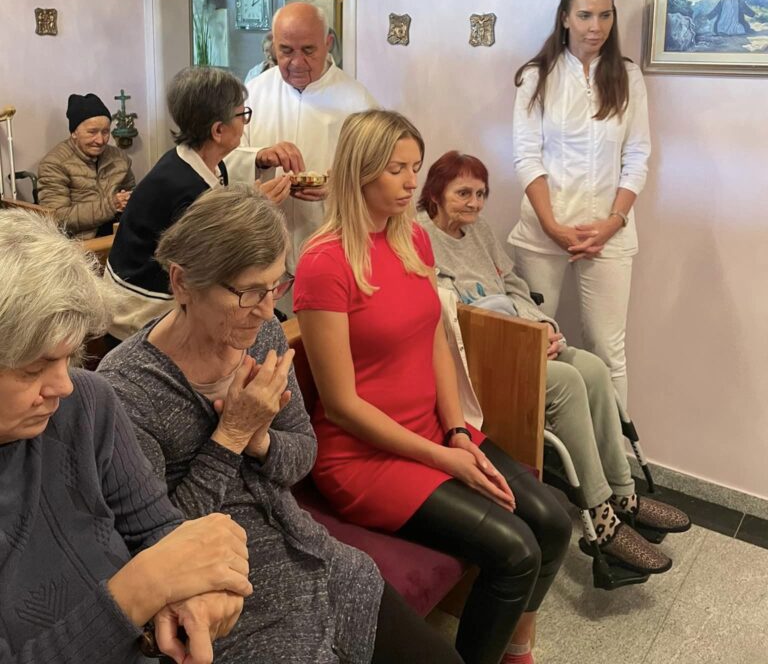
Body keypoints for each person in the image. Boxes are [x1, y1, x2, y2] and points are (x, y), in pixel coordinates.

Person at [98, 184, 463, 664]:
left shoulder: (262, 333)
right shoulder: (127, 389)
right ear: (182, 282)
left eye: (275, 286)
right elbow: (156, 547)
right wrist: (228, 438)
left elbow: (302, 456)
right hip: (229, 598)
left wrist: (261, 442)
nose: (269, 309)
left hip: (313, 553)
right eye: (249, 292)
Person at [294, 110, 572, 664]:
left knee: (552, 521)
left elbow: (437, 342)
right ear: (359, 170)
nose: (410, 182)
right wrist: (445, 460)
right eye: (395, 169)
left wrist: (457, 432)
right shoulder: (324, 262)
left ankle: (515, 650)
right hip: (363, 457)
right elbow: (342, 406)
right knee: (515, 551)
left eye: (414, 168)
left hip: (432, 430)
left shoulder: (413, 240)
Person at [418, 151, 690, 576]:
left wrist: (541, 325)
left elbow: (513, 285)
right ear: (435, 193)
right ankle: (600, 517)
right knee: (566, 381)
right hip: (482, 353)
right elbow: (451, 314)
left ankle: (623, 492)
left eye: (481, 194)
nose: (475, 203)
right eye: (463, 193)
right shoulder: (420, 238)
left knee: (594, 369)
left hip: (520, 334)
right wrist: (521, 334)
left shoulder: (479, 231)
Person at [0, 209, 252, 664]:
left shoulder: (87, 405)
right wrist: (140, 590)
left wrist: (198, 597)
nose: (63, 385)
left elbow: (157, 529)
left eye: (69, 357)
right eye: (35, 368)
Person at [509, 0, 651, 405]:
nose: (596, 26)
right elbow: (526, 157)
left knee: (608, 351)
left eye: (605, 15)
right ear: (565, 18)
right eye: (586, 15)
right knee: (533, 342)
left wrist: (613, 221)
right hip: (543, 231)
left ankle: (614, 445)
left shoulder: (627, 76)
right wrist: (551, 225)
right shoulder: (537, 76)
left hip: (608, 234)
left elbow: (637, 155)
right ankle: (536, 438)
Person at [104, 66, 291, 339]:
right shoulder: (182, 186)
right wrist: (257, 210)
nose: (244, 122)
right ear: (218, 130)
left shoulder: (200, 163)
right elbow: (212, 260)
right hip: (140, 313)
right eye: (242, 115)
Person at [226, 2, 378, 265]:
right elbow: (222, 158)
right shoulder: (253, 93)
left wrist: (341, 187)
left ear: (328, 43)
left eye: (308, 50)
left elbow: (380, 174)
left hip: (332, 243)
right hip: (263, 243)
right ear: (273, 45)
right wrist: (259, 157)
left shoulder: (358, 101)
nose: (296, 62)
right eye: (286, 51)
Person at [38, 93, 134, 238]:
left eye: (105, 132)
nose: (100, 140)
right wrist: (111, 205)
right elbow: (57, 218)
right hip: (80, 243)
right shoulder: (54, 164)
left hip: (120, 235)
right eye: (92, 132)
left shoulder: (119, 157)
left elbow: (133, 195)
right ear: (74, 133)